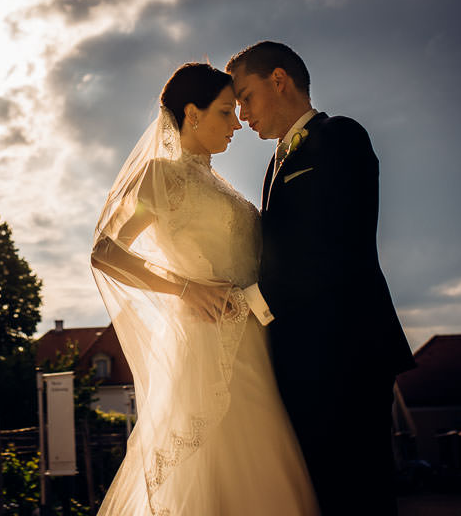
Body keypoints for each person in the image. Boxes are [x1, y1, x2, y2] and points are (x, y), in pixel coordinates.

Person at [91, 62, 318, 515]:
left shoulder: (221, 184)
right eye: (225, 112)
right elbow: (105, 252)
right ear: (191, 114)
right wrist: (184, 288)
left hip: (257, 341)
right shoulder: (159, 175)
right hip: (209, 345)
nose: (237, 123)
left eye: (237, 111)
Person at [228, 41, 415, 516]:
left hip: (347, 350)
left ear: (278, 80)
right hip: (300, 358)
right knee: (322, 493)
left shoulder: (340, 137)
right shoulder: (274, 164)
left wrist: (242, 303)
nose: (242, 114)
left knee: (359, 490)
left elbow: (325, 248)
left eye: (245, 96)